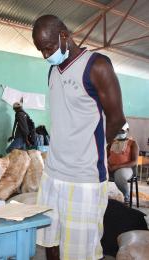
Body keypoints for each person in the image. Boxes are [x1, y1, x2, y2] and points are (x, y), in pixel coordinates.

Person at [32, 15, 126, 260]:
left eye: (49, 47)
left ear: (65, 35)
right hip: (52, 174)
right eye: (41, 50)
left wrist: (99, 149)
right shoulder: (53, 71)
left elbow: (116, 118)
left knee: (79, 253)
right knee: (49, 243)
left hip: (84, 179)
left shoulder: (97, 65)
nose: (45, 55)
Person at [108, 125, 139, 206]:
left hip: (126, 168)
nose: (119, 133)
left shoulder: (133, 143)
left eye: (122, 131)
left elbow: (134, 162)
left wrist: (117, 167)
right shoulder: (112, 142)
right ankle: (98, 197)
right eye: (118, 131)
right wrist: (107, 165)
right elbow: (105, 156)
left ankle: (126, 197)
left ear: (127, 130)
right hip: (110, 168)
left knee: (119, 175)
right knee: (97, 172)